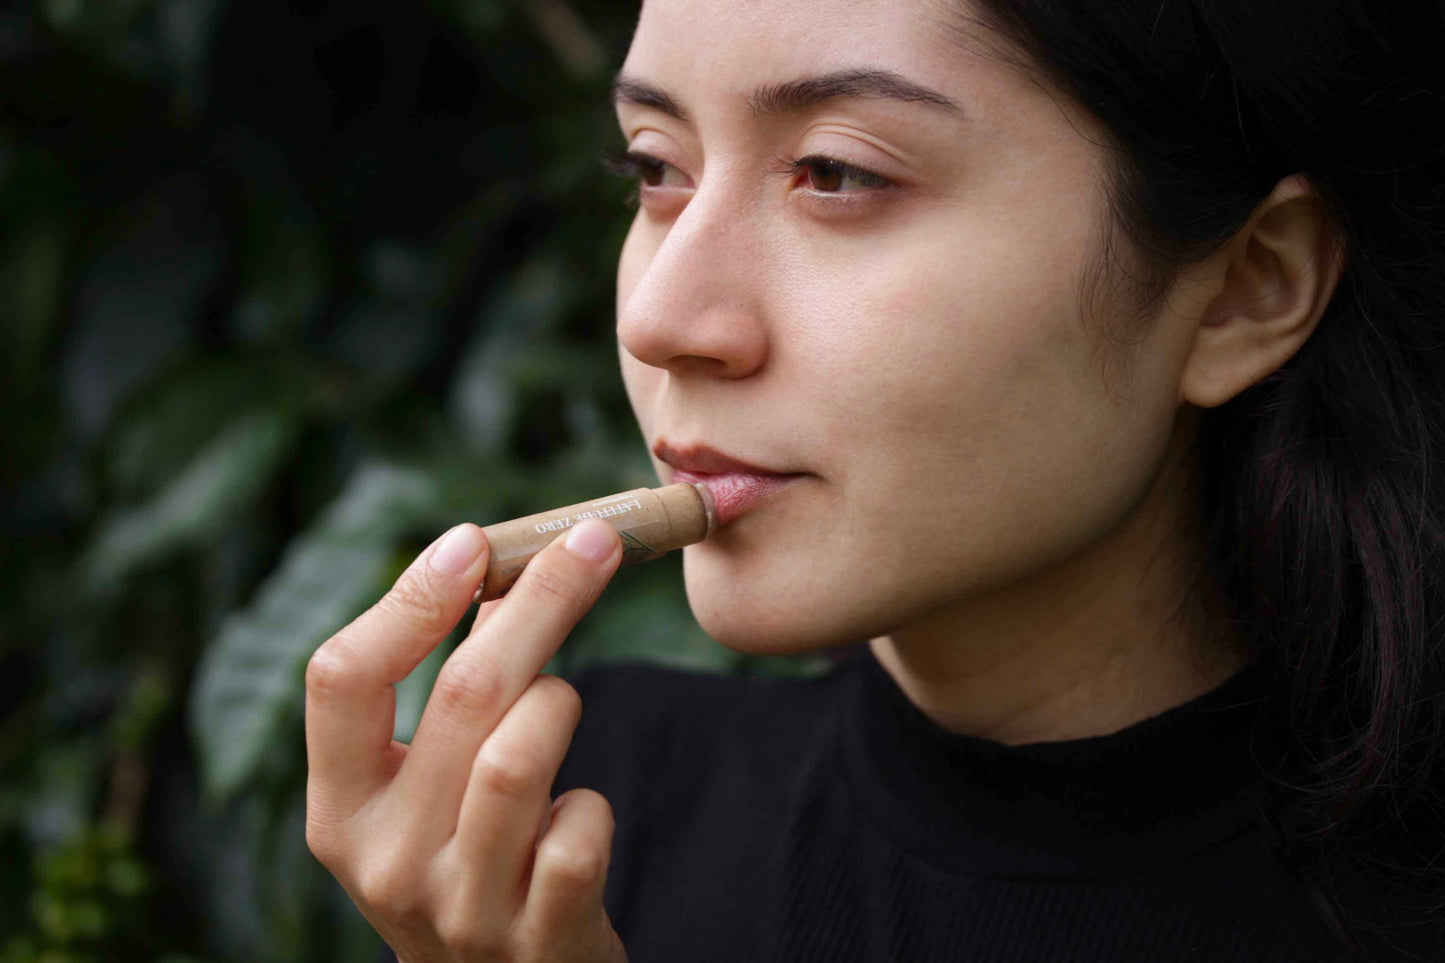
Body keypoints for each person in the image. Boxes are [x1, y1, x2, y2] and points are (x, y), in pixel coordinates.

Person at [300, 0, 1445, 959]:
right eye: (654, 168)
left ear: (1247, 284)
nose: (659, 321)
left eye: (836, 174)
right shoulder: (567, 838)